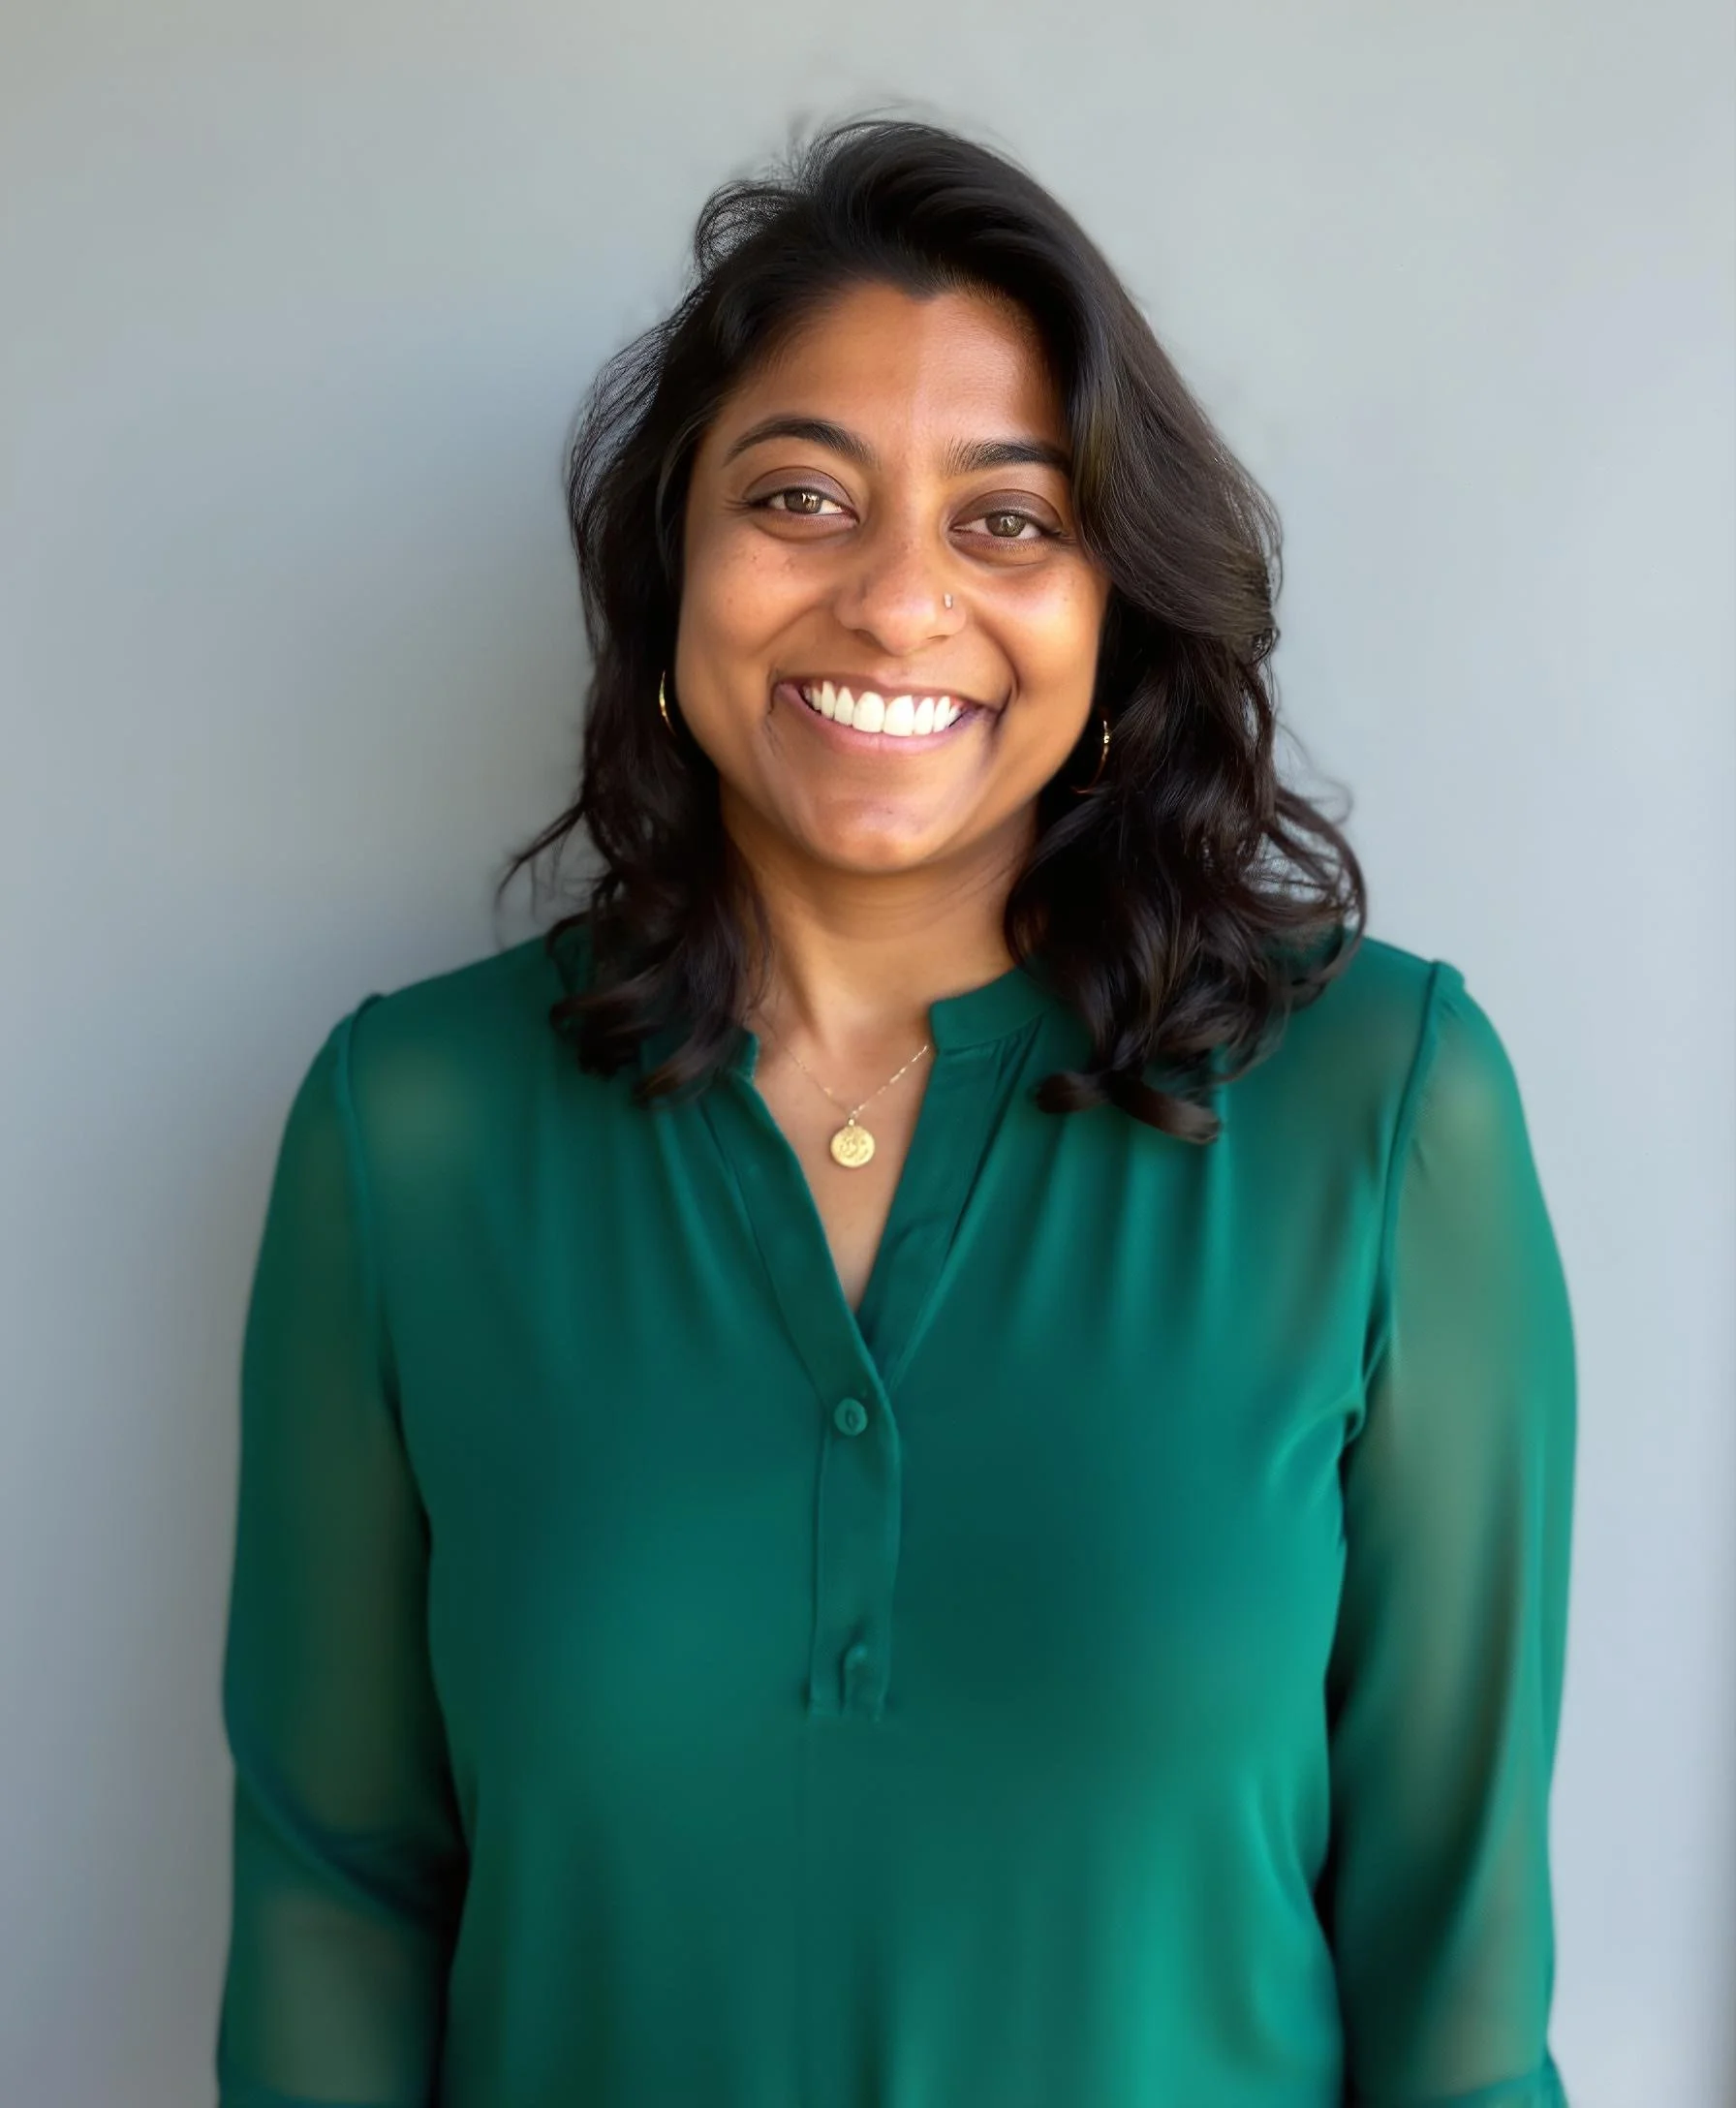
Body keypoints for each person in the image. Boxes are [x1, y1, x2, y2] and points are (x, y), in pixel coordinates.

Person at [214, 115, 1577, 2108]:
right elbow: (333, 1889)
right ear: (670, 563)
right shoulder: (403, 1129)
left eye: (1006, 520)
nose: (893, 600)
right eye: (799, 497)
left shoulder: (1383, 1108)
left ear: (1112, 611)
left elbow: (1450, 1966)